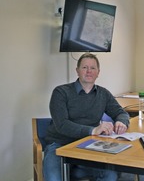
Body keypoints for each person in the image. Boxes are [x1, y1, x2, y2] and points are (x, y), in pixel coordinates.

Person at [43, 53, 130, 181]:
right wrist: (92, 130)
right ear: (77, 70)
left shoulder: (103, 94)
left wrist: (121, 122)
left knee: (110, 176)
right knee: (53, 178)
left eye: (93, 68)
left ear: (98, 72)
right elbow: (62, 125)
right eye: (84, 67)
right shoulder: (60, 92)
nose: (89, 71)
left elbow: (121, 113)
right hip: (59, 145)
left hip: (89, 146)